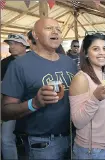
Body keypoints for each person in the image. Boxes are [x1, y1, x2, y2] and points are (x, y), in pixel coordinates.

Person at [1, 18, 77, 159]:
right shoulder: (19, 65)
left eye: (58, 29)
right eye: (49, 28)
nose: (55, 31)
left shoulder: (69, 63)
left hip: (73, 138)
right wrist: (34, 103)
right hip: (42, 144)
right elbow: (5, 112)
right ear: (35, 35)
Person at [69, 32, 105, 159]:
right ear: (86, 53)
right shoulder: (81, 79)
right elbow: (77, 122)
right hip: (89, 151)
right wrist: (96, 98)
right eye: (95, 49)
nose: (102, 53)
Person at [1, 33, 29, 160]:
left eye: (15, 43)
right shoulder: (4, 63)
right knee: (6, 138)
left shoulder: (34, 59)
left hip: (33, 104)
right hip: (11, 105)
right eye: (10, 44)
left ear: (24, 45)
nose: (11, 46)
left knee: (33, 136)